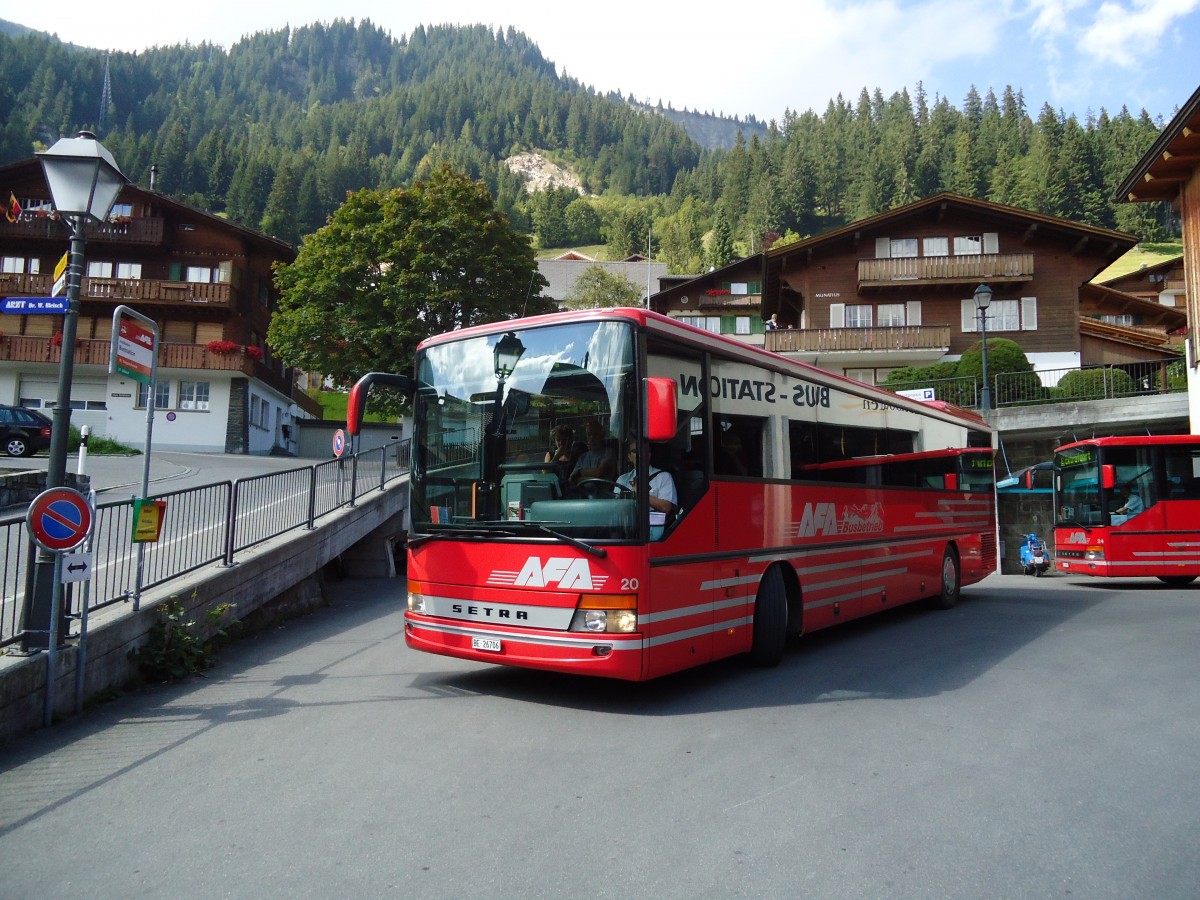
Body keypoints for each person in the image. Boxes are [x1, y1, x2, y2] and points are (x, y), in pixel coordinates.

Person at [615, 442, 678, 521]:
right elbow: (615, 508)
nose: (639, 454)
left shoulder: (663, 476)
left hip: (651, 526)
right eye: (635, 451)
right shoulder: (622, 479)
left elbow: (666, 508)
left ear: (649, 454)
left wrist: (641, 494)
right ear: (629, 457)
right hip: (626, 525)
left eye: (642, 450)